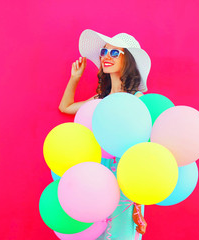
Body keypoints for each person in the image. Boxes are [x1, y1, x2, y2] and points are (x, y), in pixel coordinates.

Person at [59, 29, 151, 240]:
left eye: (114, 53)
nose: (106, 57)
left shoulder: (137, 99)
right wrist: (75, 78)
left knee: (121, 232)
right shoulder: (99, 99)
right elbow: (66, 106)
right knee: (98, 229)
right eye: (104, 51)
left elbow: (143, 144)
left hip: (126, 176)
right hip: (97, 175)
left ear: (127, 60)